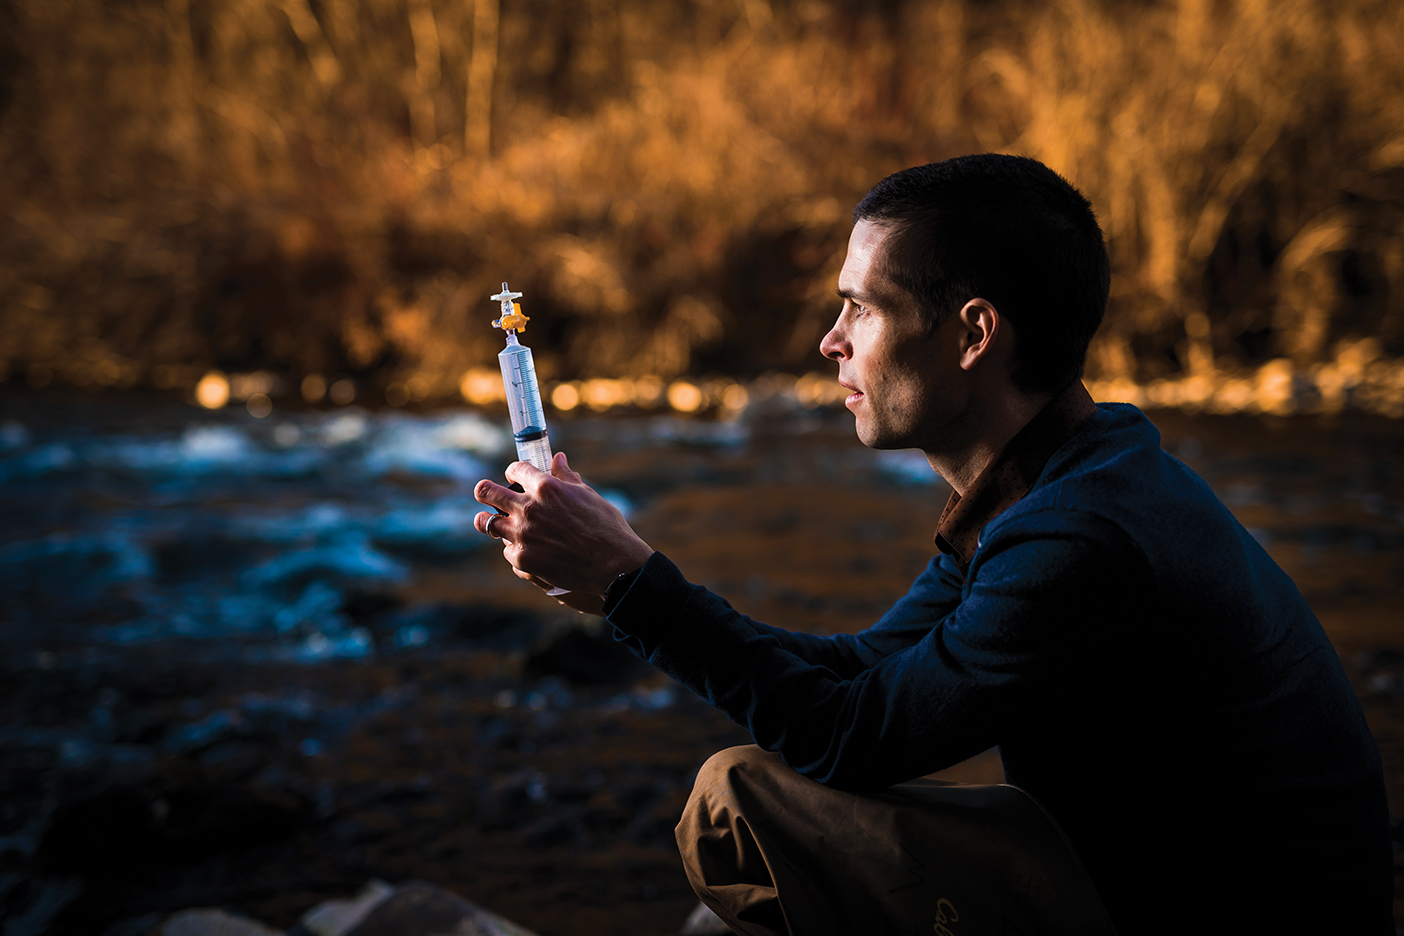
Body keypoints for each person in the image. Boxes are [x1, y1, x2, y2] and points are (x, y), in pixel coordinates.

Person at [473, 155, 1392, 935]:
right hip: (1143, 883)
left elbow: (849, 738)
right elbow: (862, 672)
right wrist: (622, 567)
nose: (830, 342)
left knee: (738, 799)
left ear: (973, 335)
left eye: (861, 310)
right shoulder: (1066, 477)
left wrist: (633, 587)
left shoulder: (1080, 539)